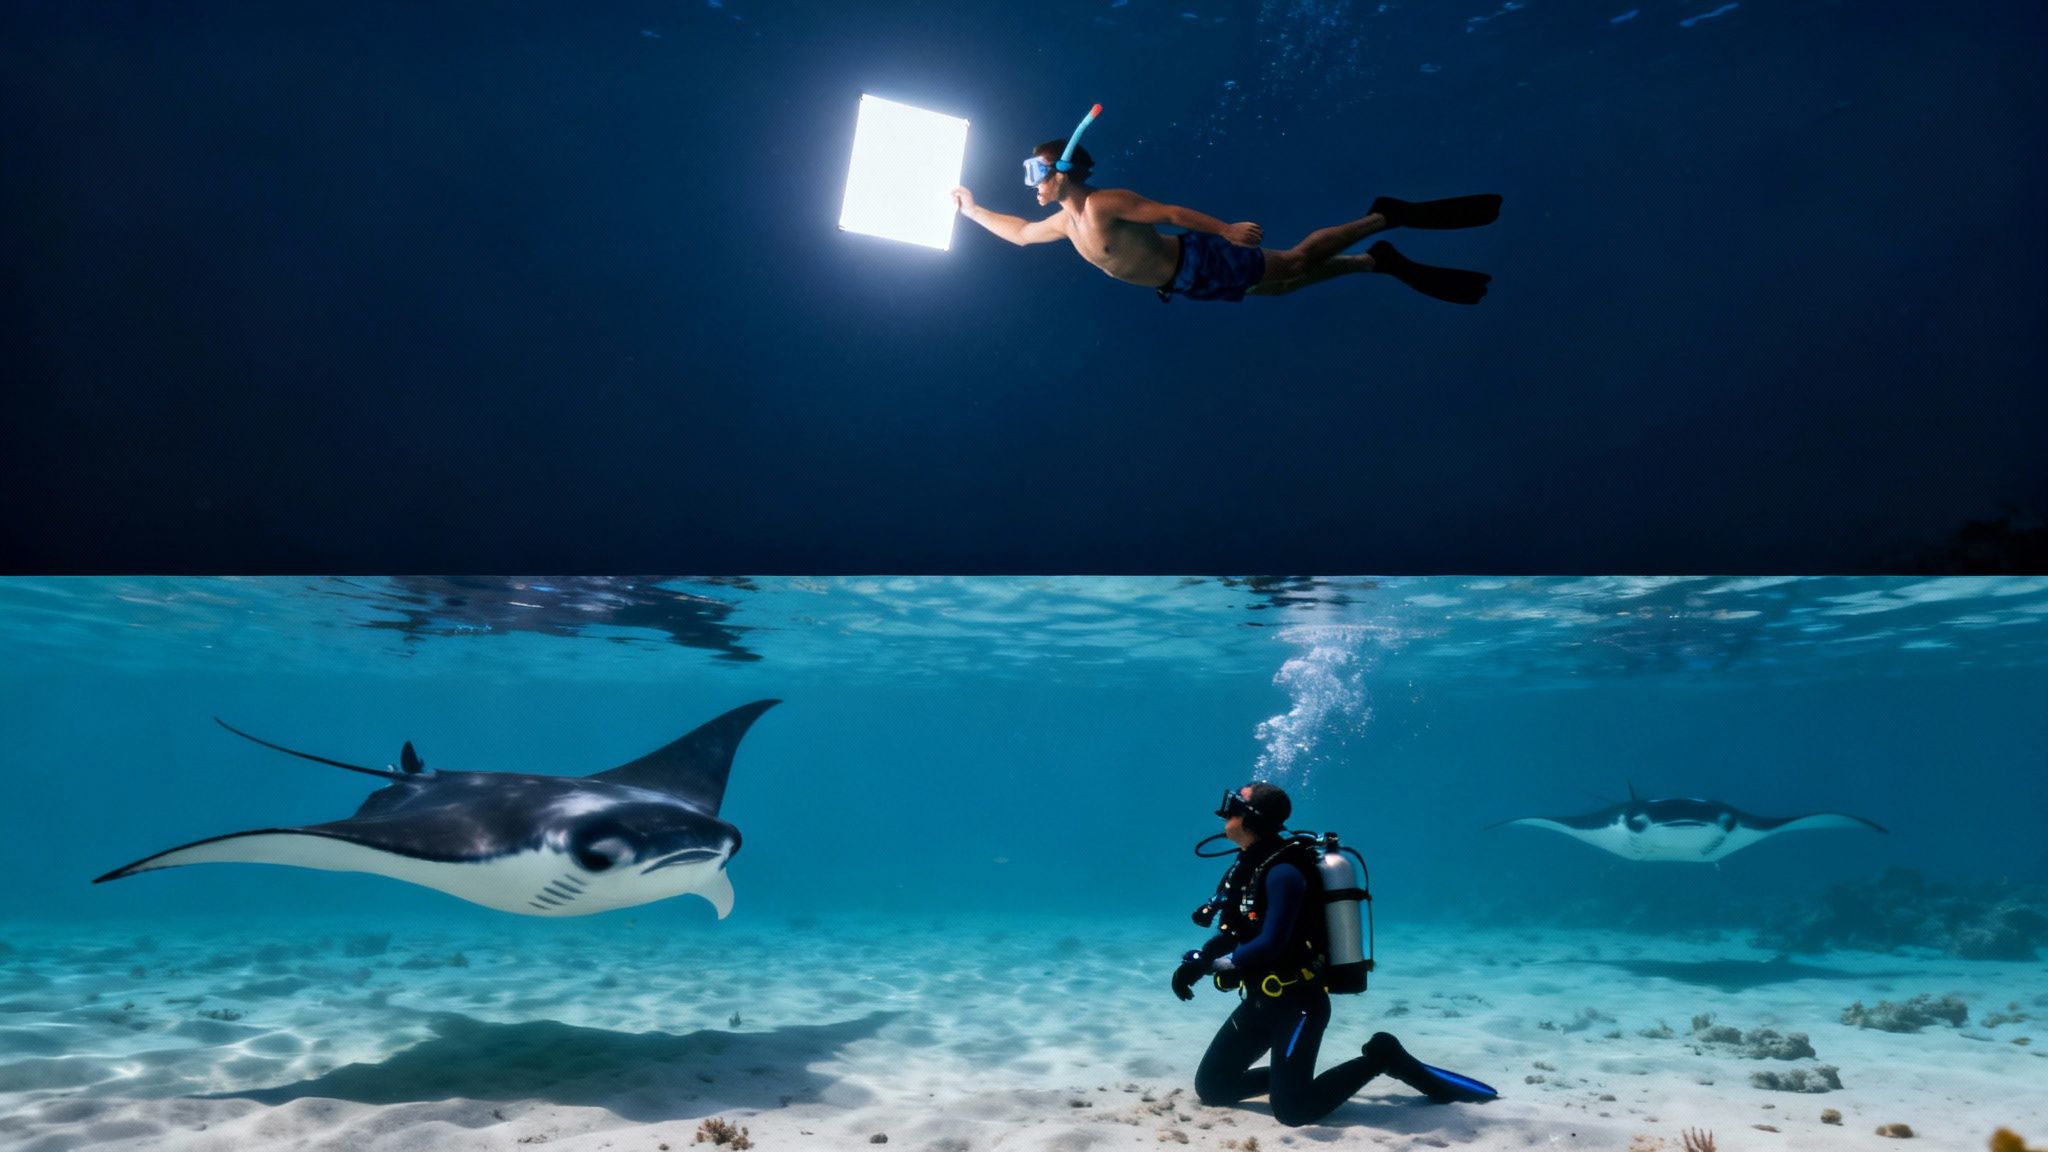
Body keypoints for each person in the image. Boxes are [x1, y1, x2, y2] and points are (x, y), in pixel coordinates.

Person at [1173, 783, 1497, 1127]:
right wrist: (1196, 962)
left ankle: (1381, 1057)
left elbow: (1273, 942)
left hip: (1296, 1005)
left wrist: (1220, 965)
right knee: (1213, 1088)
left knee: (1293, 1111)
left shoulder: (1284, 871)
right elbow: (1233, 930)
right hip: (1256, 1002)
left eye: (1234, 807)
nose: (1225, 813)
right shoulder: (1245, 867)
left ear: (1251, 817)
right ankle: (1290, 1080)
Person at [951, 138, 1500, 305]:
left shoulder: (1102, 205)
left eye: (1036, 171)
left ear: (1063, 172)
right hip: (1181, 283)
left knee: (1296, 262)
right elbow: (1021, 234)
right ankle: (1370, 263)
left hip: (1198, 258)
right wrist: (973, 210)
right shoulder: (1066, 225)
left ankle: (1384, 217)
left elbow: (1167, 213)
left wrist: (1225, 230)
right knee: (1281, 286)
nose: (1031, 183)